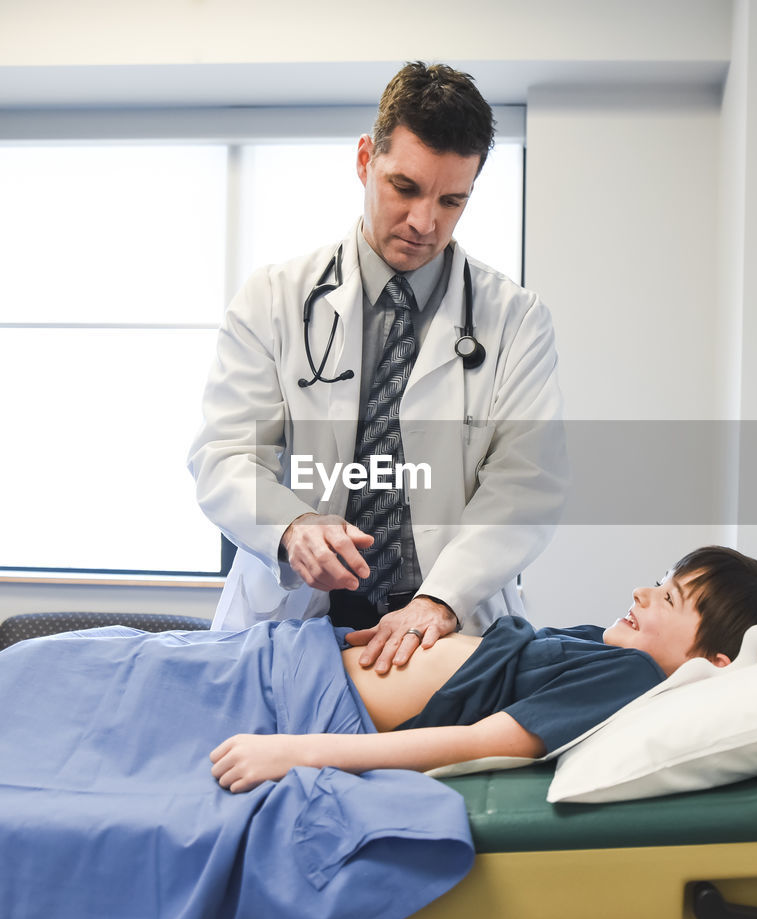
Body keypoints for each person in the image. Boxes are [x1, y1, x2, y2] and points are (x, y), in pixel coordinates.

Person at [188, 61, 567, 679]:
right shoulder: (274, 299)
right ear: (366, 160)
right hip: (293, 621)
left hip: (444, 630)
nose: (425, 223)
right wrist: (292, 526)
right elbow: (224, 456)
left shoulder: (515, 319)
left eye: (452, 200)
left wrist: (440, 599)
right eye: (406, 188)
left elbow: (526, 486)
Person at [210, 546, 757, 793]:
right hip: (300, 655)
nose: (642, 592)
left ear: (712, 664)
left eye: (668, 598)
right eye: (660, 582)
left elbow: (477, 742)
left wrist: (295, 754)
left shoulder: (633, 679)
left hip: (307, 701)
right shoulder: (608, 650)